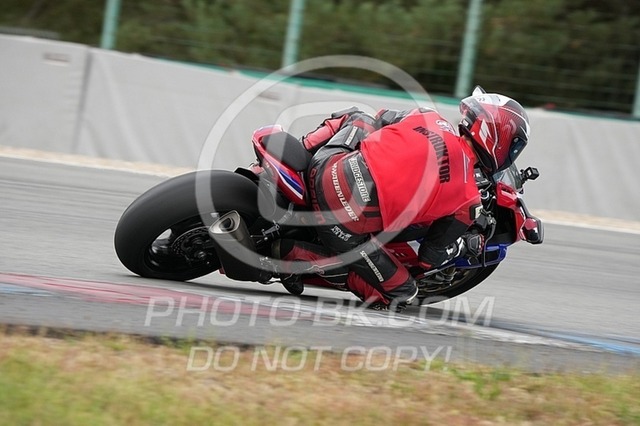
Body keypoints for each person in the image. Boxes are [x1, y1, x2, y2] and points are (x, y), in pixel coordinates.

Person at [274, 86, 531, 311]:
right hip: (339, 225)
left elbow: (380, 118)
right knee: (402, 292)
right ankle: (296, 254)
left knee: (359, 117)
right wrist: (465, 245)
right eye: (514, 146)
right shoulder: (469, 200)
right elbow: (430, 257)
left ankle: (294, 154)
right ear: (499, 140)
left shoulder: (429, 117)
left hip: (324, 167)